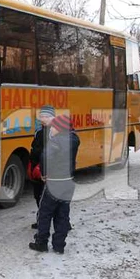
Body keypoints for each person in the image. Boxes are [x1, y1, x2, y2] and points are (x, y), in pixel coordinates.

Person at [29, 114, 80, 254]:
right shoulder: (75, 139)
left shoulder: (55, 141)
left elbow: (45, 158)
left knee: (44, 213)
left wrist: (44, 174)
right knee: (62, 214)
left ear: (60, 128)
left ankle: (41, 243)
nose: (51, 129)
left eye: (54, 127)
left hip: (54, 182)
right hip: (68, 182)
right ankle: (59, 246)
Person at [28, 105, 55, 229]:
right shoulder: (39, 131)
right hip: (36, 168)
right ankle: (42, 220)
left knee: (47, 199)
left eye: (46, 116)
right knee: (38, 196)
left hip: (47, 169)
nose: (43, 119)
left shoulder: (54, 132)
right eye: (42, 116)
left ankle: (49, 223)